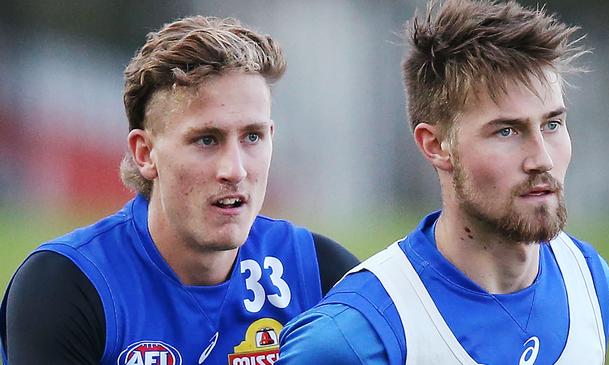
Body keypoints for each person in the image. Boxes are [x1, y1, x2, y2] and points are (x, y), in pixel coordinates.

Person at [0, 15, 358, 365]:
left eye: (252, 136)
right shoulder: (67, 286)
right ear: (145, 153)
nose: (234, 169)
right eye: (206, 140)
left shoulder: (321, 274)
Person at [278, 0, 609, 364]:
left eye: (551, 124)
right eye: (507, 131)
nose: (542, 159)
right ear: (437, 146)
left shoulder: (589, 279)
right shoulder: (352, 336)